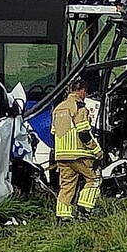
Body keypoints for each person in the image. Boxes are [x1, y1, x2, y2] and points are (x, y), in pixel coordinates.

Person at [51, 79, 103, 222]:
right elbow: (84, 133)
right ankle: (84, 209)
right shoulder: (79, 107)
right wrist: (97, 151)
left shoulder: (58, 109)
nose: (86, 95)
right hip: (79, 154)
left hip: (61, 155)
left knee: (66, 185)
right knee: (94, 180)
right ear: (81, 91)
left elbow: (53, 133)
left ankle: (63, 216)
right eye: (85, 92)